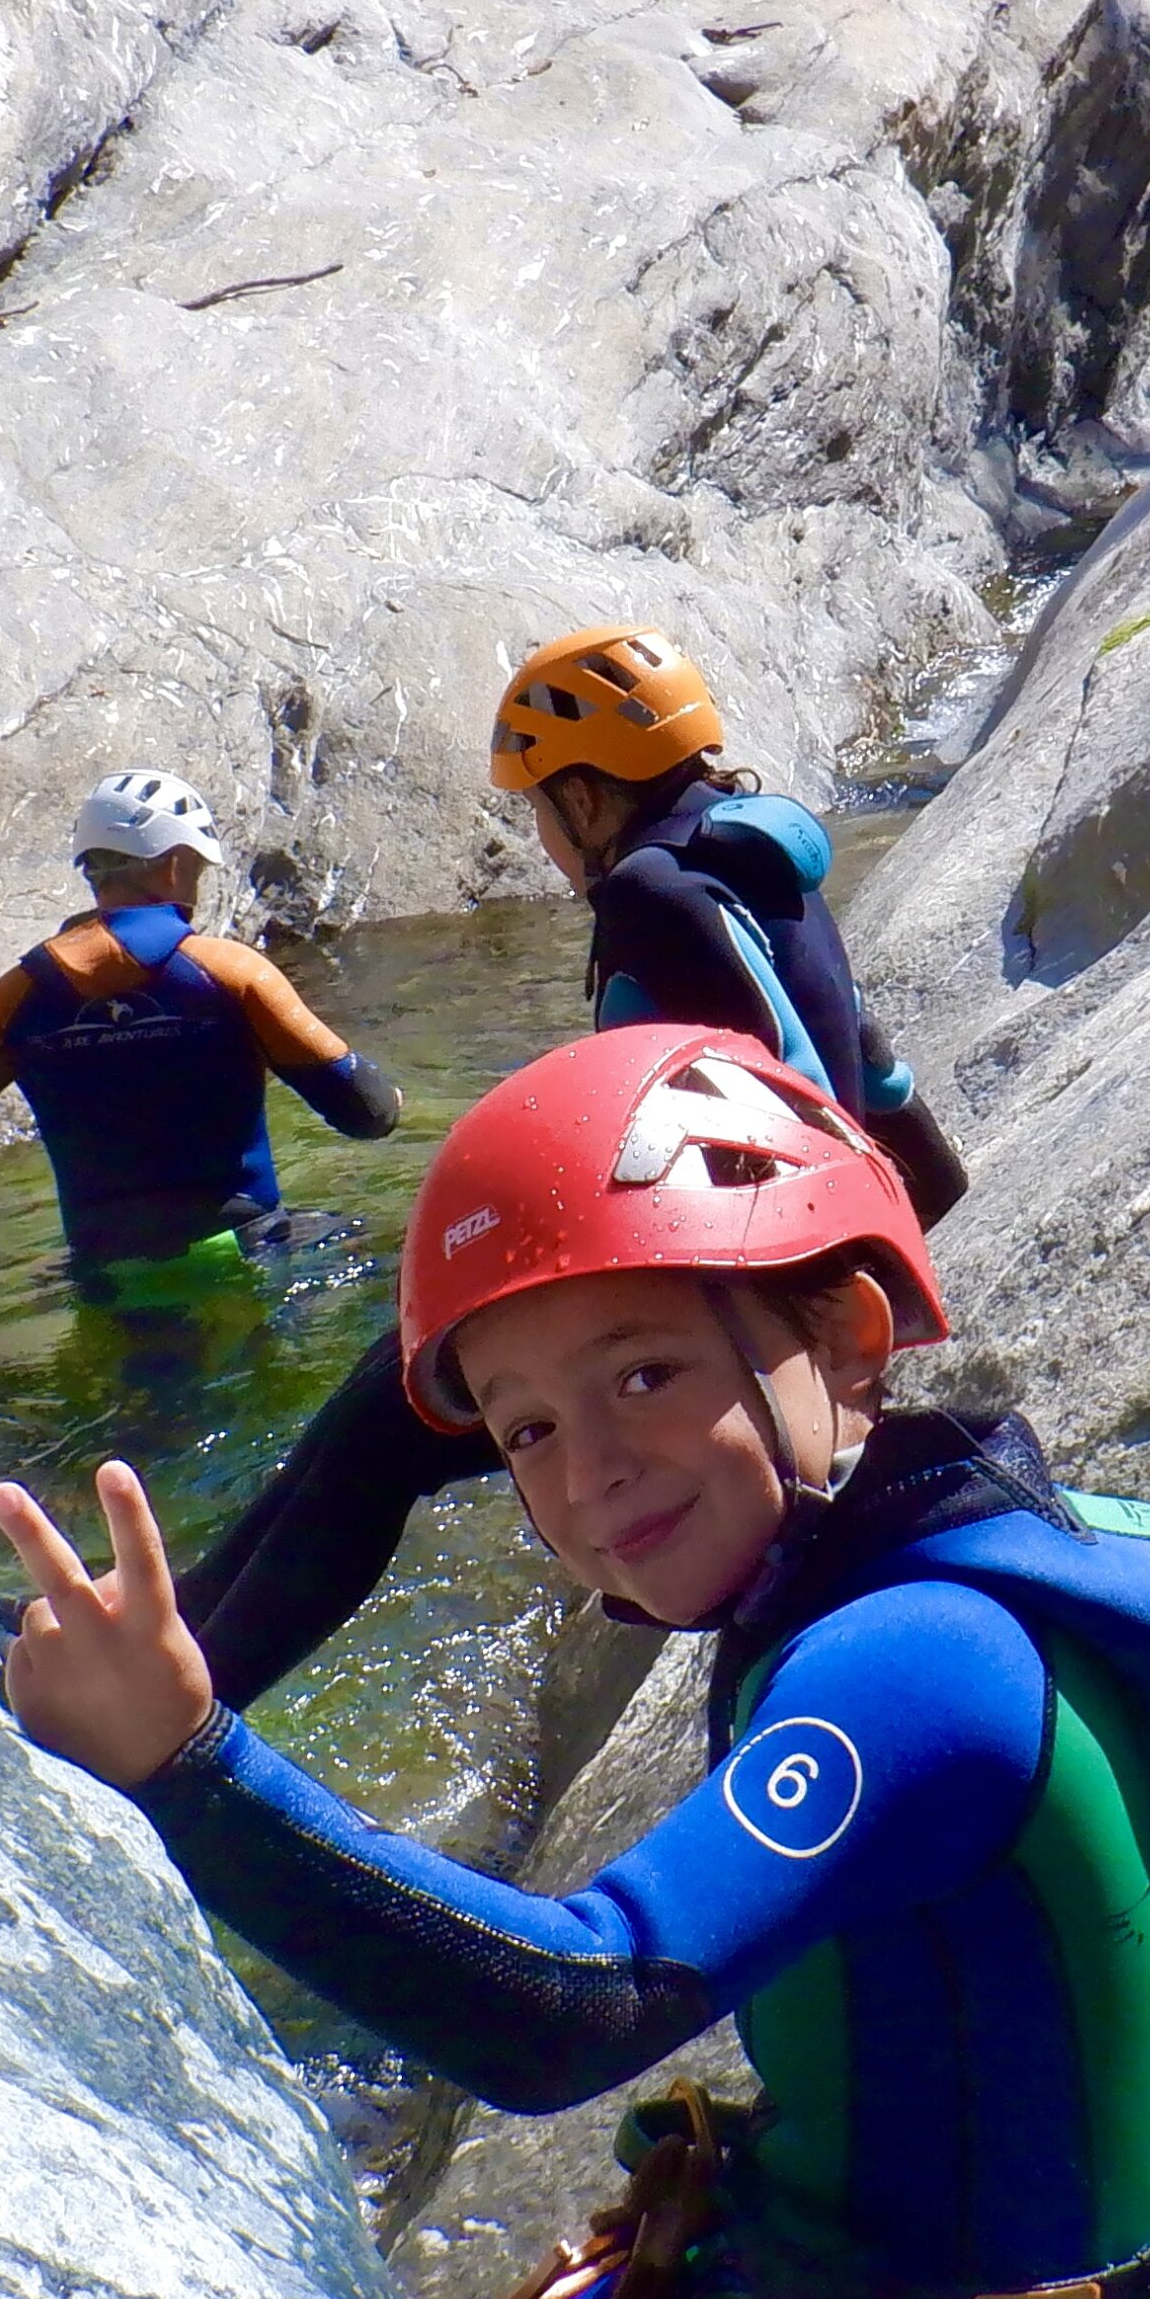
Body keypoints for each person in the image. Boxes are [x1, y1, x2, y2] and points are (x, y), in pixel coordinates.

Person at [0, 1025, 1150, 2299]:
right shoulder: (1015, 1551)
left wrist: (187, 1762)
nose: (588, 1474)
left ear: (850, 1334)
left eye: (646, 1374)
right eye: (530, 1430)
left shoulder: (921, 1662)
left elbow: (580, 2005)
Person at [173, 628, 972, 1711]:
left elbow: (758, 1077)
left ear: (587, 801)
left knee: (369, 1447)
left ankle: (175, 1704)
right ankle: (165, 1622)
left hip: (706, 1265)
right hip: (772, 1242)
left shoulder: (651, 895)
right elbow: (865, 1073)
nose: (543, 838)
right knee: (365, 1421)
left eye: (540, 809)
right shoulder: (756, 860)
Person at [0, 770, 401, 1273]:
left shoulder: (19, 993)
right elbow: (367, 1114)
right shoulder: (231, 974)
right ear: (177, 864)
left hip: (105, 1270)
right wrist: (387, 1091)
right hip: (247, 1252)